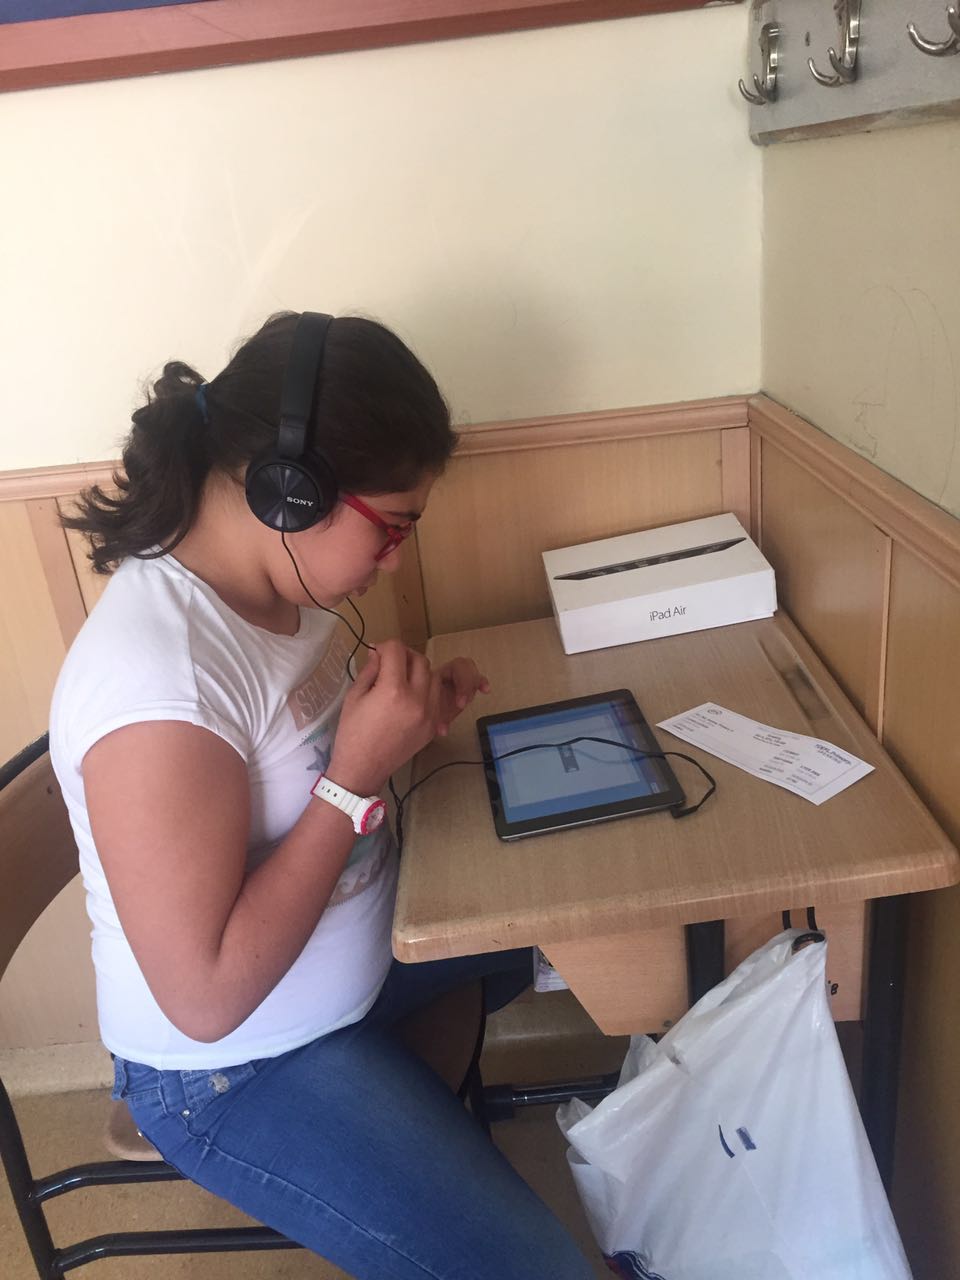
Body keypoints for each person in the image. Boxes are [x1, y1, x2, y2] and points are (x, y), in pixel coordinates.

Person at [49, 310, 597, 1280]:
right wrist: (353, 776)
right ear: (290, 491)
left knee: (596, 878)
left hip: (371, 953)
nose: (396, 561)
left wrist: (400, 726)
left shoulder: (275, 589)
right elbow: (205, 997)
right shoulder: (158, 684)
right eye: (393, 529)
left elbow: (294, 765)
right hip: (237, 1067)